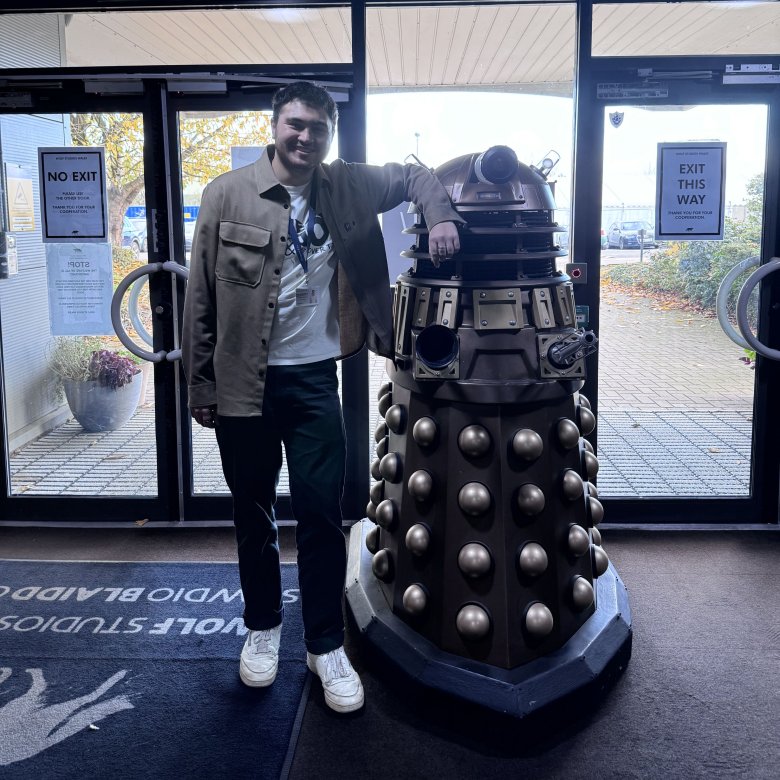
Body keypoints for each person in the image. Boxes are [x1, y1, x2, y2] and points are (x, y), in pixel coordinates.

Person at [182, 81, 463, 713]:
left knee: (319, 513)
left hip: (314, 381)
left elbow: (415, 178)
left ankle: (324, 643)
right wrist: (200, 384)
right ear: (275, 127)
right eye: (295, 125)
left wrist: (441, 214)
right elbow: (200, 298)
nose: (304, 137)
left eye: (317, 128)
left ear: (329, 135)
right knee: (252, 512)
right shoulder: (226, 194)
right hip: (241, 384)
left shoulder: (349, 185)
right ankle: (261, 629)